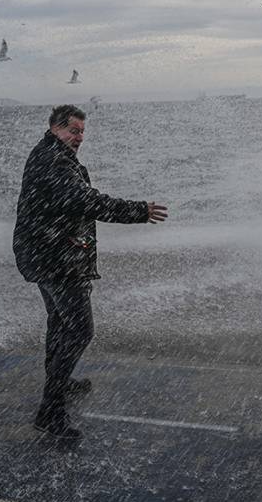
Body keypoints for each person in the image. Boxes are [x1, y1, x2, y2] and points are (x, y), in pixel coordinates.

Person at [13, 104, 168, 439]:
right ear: (55, 127)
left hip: (47, 252)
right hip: (55, 259)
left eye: (82, 132)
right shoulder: (53, 161)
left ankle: (60, 382)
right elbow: (88, 201)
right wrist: (138, 211)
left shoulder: (49, 152)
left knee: (59, 322)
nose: (79, 138)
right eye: (73, 131)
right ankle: (49, 411)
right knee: (80, 330)